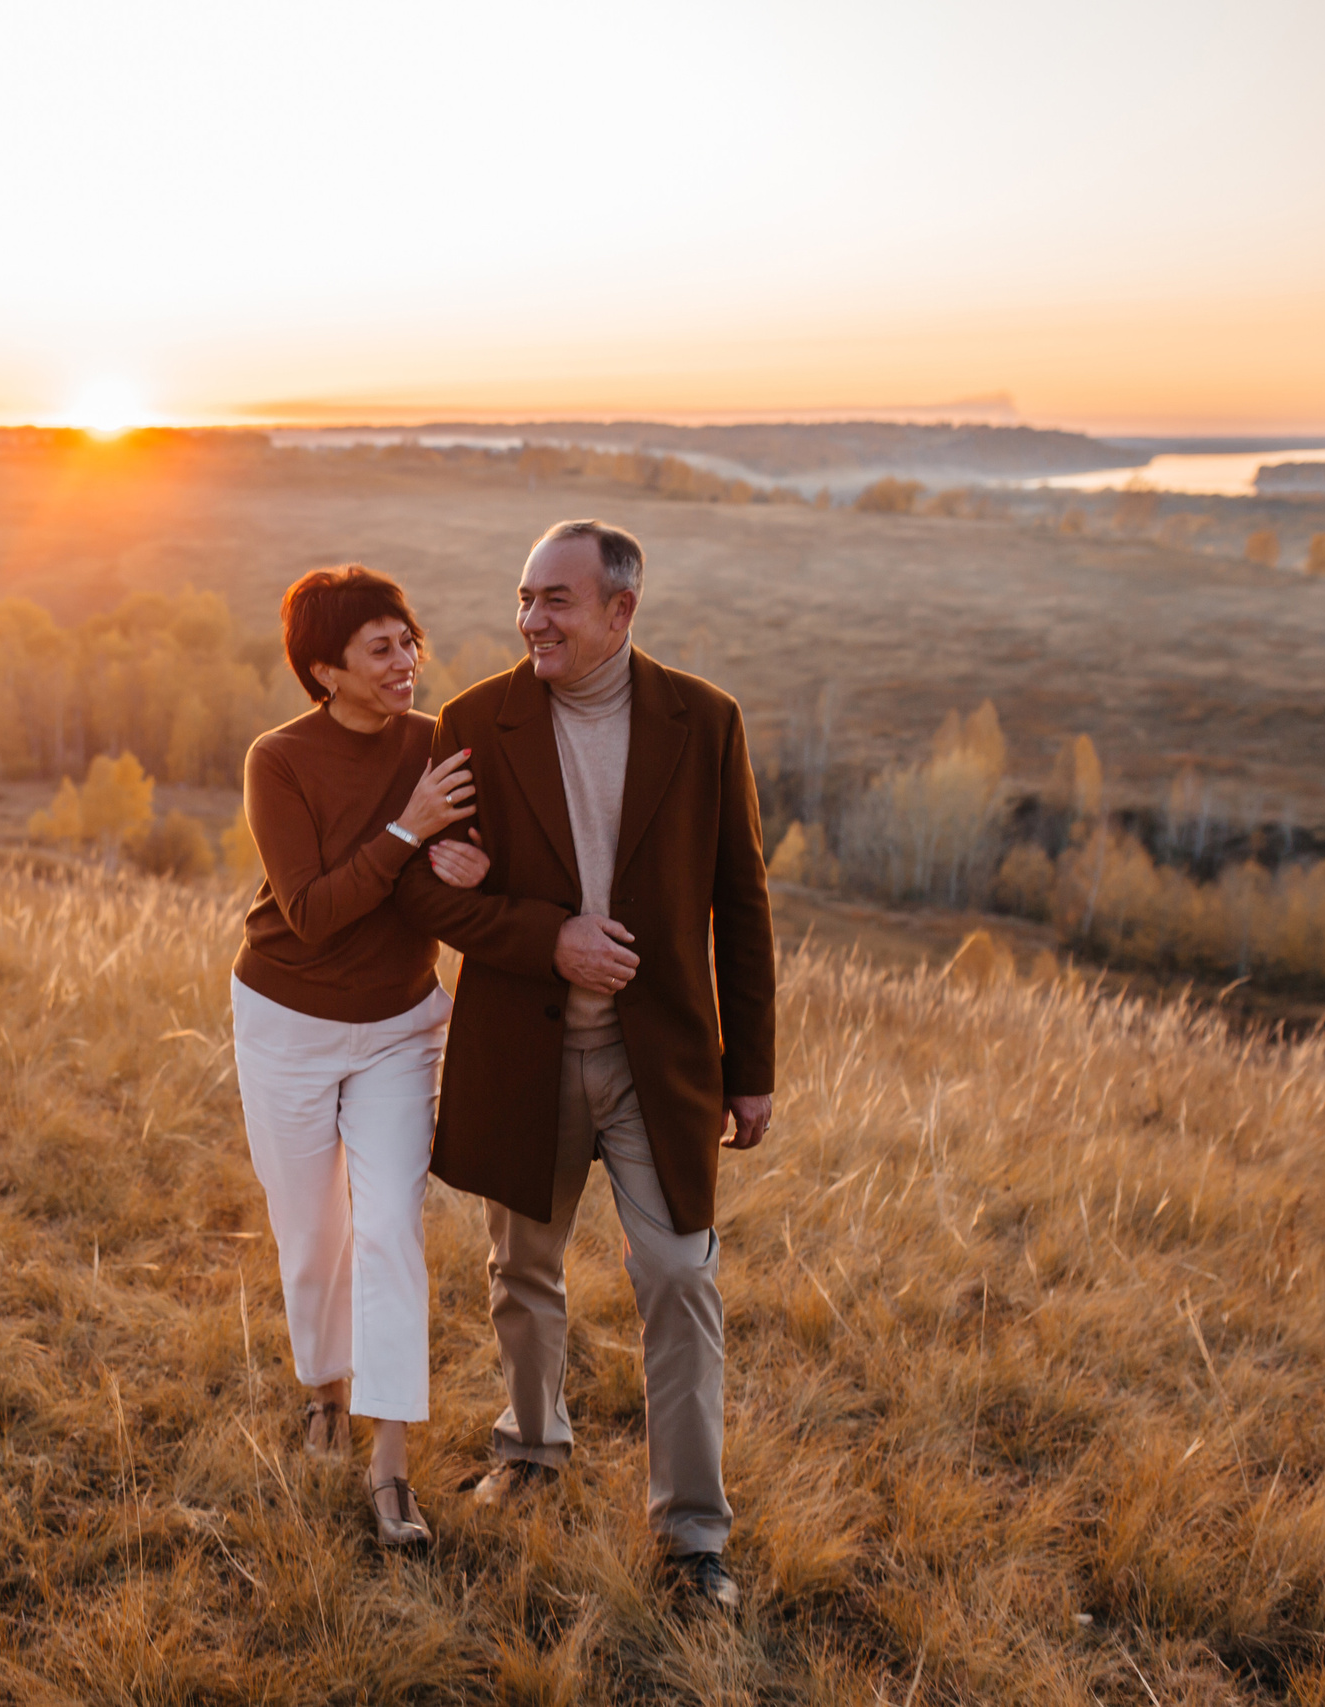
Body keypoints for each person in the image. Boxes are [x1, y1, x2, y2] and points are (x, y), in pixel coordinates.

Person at [394, 519, 776, 1610]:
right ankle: (529, 1451)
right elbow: (422, 888)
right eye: (523, 598)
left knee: (679, 1282)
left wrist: (750, 1071)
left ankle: (692, 1537)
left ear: (621, 610)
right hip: (525, 1055)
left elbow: (739, 904)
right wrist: (541, 933)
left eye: (555, 600)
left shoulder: (703, 721)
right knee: (522, 1271)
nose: (531, 620)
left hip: (662, 1064)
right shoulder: (477, 720)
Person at [232, 564, 490, 1549]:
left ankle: (390, 1470)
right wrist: (408, 830)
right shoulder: (279, 760)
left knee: (388, 1230)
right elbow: (312, 913)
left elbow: (474, 864)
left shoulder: (440, 745)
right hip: (285, 1019)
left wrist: (469, 859)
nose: (405, 661)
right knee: (310, 1238)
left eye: (408, 641)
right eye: (380, 648)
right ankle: (323, 1393)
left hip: (399, 1027)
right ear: (324, 668)